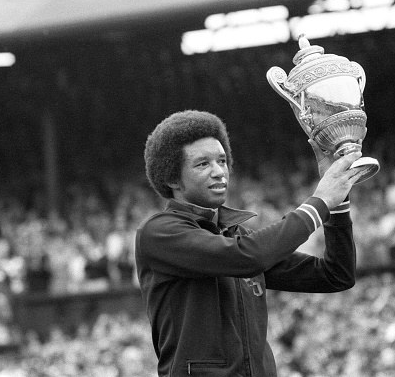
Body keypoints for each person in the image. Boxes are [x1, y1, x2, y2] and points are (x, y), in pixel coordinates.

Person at [135, 110, 364, 376]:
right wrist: (321, 202)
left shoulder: (237, 236)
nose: (220, 171)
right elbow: (248, 257)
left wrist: (338, 202)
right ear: (172, 178)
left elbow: (336, 275)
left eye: (222, 161)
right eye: (202, 164)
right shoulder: (158, 233)